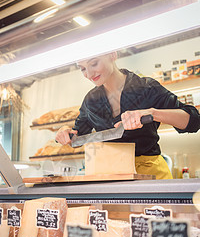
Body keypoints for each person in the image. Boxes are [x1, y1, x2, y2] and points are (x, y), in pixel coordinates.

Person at [55, 52, 200, 179]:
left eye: (93, 63)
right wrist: (65, 130)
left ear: (112, 55)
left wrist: (152, 113)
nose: (89, 74)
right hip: (110, 176)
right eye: (83, 69)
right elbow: (77, 135)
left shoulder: (146, 87)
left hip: (151, 173)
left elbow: (193, 120)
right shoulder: (90, 100)